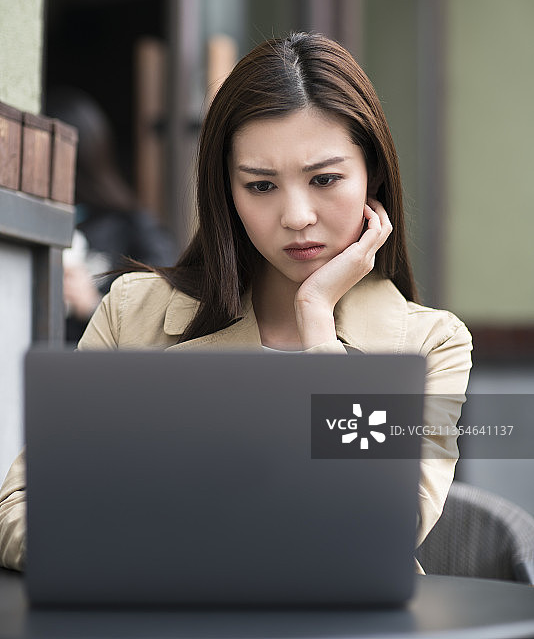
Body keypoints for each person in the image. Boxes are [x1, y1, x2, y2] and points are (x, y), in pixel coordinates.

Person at [0, 32, 471, 572]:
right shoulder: (134, 313)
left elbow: (382, 525)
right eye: (261, 186)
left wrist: (317, 321)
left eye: (325, 179)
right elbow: (20, 511)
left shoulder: (431, 342)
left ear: (374, 177)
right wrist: (173, 559)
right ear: (227, 191)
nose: (296, 216)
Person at [46, 86, 176, 342]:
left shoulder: (133, 229)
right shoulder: (39, 222)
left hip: (104, 373)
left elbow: (167, 317)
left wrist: (93, 306)